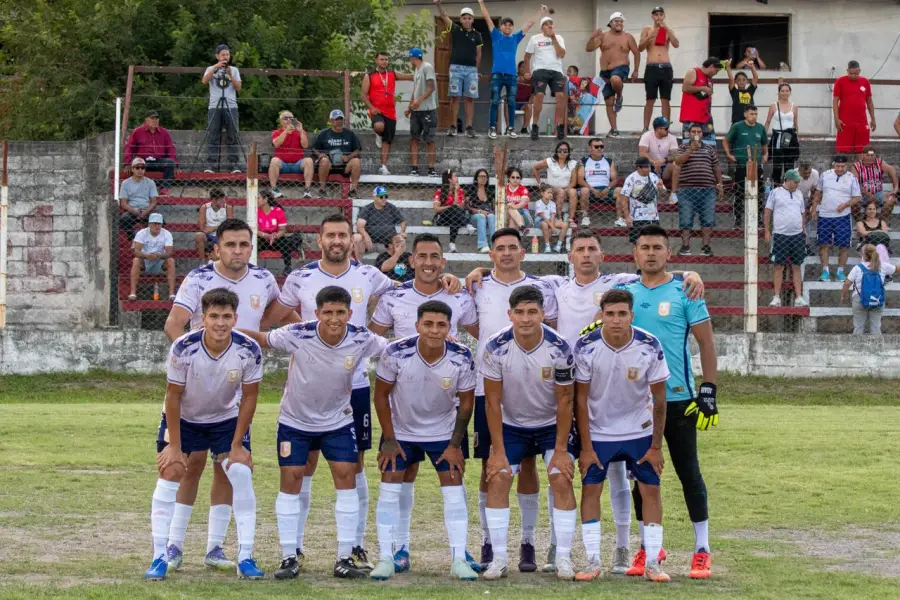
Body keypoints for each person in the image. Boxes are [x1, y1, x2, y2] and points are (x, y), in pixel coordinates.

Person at [261, 215, 461, 569]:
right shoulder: (300, 277)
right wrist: (304, 340)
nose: (337, 240)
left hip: (353, 387)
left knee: (353, 467)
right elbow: (272, 318)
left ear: (351, 241)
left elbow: (410, 290)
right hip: (307, 391)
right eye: (330, 235)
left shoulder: (369, 275)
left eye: (342, 235)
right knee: (300, 468)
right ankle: (294, 549)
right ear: (319, 239)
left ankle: (353, 546)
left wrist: (449, 281)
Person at [242, 286, 388, 580]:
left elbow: (393, 348)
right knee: (291, 481)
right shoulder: (298, 333)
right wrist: (224, 330)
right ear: (317, 313)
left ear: (349, 313)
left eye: (340, 313)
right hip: (295, 422)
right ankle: (289, 555)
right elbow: (262, 339)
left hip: (338, 422)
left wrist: (432, 339)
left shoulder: (362, 337)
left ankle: (344, 557)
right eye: (328, 313)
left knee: (346, 478)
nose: (334, 319)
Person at [161, 220, 282, 572]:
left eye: (244, 244)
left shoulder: (264, 279)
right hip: (193, 393)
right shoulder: (198, 278)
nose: (238, 251)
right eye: (230, 244)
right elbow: (173, 325)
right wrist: (193, 365)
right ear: (217, 248)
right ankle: (173, 545)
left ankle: (214, 547)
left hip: (231, 395)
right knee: (189, 465)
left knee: (228, 467)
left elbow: (277, 315)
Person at [368, 234, 480, 573]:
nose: (429, 262)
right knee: (398, 480)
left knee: (452, 484)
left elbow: (480, 333)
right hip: (404, 412)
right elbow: (374, 342)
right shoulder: (395, 300)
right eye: (423, 256)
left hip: (442, 417)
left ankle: (459, 555)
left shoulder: (458, 297)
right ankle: (394, 551)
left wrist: (478, 270)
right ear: (412, 260)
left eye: (435, 256)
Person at [615, 225, 718, 580]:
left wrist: (709, 390)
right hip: (638, 403)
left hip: (679, 400)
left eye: (658, 247)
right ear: (635, 254)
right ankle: (649, 546)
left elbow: (705, 344)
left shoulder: (687, 289)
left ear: (669, 253)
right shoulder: (624, 293)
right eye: (645, 247)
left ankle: (702, 550)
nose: (651, 253)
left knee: (689, 472)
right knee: (643, 478)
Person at [145, 288, 264, 581]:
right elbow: (173, 396)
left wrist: (237, 445)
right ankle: (162, 553)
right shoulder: (184, 348)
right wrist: (174, 445)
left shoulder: (249, 349)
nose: (220, 323)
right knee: (172, 470)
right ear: (202, 319)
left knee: (239, 471)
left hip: (225, 418)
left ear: (235, 318)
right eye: (214, 316)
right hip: (185, 418)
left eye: (226, 316)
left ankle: (243, 555)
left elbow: (249, 398)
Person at [465, 229, 560, 573]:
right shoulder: (476, 285)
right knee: (491, 465)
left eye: (511, 248)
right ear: (490, 253)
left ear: (523, 252)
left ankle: (528, 540)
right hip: (485, 387)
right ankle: (490, 540)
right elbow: (476, 327)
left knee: (530, 466)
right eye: (499, 248)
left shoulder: (542, 287)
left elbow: (546, 328)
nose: (505, 253)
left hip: (532, 391)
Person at [480, 286, 577, 581]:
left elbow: (565, 400)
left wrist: (561, 450)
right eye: (519, 312)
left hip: (550, 425)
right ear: (509, 314)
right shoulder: (495, 347)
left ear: (542, 314)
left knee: (560, 477)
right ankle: (498, 558)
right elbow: (493, 401)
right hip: (511, 425)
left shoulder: (559, 348)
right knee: (498, 478)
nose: (525, 319)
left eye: (532, 312)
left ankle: (563, 558)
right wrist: (497, 451)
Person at [574, 288, 671, 583]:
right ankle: (592, 560)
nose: (616, 320)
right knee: (591, 489)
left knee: (650, 489)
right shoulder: (586, 346)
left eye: (622, 314)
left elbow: (660, 401)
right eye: (610, 314)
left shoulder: (649, 344)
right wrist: (586, 447)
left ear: (631, 315)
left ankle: (653, 562)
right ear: (601, 315)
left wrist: (656, 446)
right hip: (599, 431)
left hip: (638, 430)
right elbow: (580, 400)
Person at [479, 1, 541, 138]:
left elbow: (530, 24)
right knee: (494, 101)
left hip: (512, 76)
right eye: (505, 24)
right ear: (501, 27)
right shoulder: (496, 35)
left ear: (512, 28)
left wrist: (540, 12)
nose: (507, 26)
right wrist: (481, 2)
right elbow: (488, 19)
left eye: (510, 25)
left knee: (511, 102)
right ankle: (492, 128)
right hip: (497, 75)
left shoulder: (515, 38)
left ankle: (510, 128)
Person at [585, 11, 640, 138]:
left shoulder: (628, 37)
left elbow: (637, 53)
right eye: (616, 21)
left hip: (621, 68)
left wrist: (636, 70)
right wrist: (592, 37)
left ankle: (619, 97)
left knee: (615, 79)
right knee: (609, 100)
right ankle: (614, 129)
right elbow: (588, 48)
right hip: (605, 71)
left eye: (621, 21)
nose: (619, 23)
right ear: (610, 23)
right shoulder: (603, 36)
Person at [435, 2, 483, 138]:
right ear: (461, 20)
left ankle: (469, 127)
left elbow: (479, 54)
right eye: (464, 18)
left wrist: (476, 70)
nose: (467, 20)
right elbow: (444, 16)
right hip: (456, 68)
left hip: (471, 70)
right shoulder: (455, 29)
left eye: (469, 18)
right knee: (455, 97)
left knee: (470, 98)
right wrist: (439, 4)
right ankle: (453, 126)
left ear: (473, 20)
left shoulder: (477, 35)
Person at [811, 156, 862, 282]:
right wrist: (813, 209)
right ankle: (825, 272)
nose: (839, 169)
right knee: (824, 244)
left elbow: (857, 197)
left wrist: (845, 205)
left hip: (843, 216)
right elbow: (818, 193)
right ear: (833, 165)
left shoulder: (852, 178)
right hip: (825, 215)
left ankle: (840, 272)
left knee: (844, 245)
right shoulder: (825, 175)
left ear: (847, 165)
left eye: (842, 166)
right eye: (837, 166)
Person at [675, 123, 723, 256]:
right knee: (685, 219)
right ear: (689, 134)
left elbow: (716, 167)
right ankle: (685, 247)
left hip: (707, 190)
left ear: (702, 134)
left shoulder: (709, 149)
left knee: (708, 219)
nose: (696, 134)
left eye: (699, 132)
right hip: (686, 190)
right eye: (693, 131)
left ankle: (706, 246)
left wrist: (720, 184)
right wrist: (690, 150)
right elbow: (678, 161)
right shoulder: (683, 147)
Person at [361, 52, 412, 175]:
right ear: (376, 61)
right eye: (381, 59)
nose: (384, 61)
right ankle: (378, 133)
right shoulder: (369, 75)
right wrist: (372, 108)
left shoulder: (392, 74)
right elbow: (363, 95)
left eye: (386, 59)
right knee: (379, 126)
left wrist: (422, 74)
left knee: (387, 141)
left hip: (390, 112)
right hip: (377, 111)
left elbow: (408, 77)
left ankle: (383, 166)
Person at [764, 169, 808, 307]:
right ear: (787, 180)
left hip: (797, 235)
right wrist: (767, 230)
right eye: (795, 182)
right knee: (779, 266)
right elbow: (767, 212)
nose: (797, 184)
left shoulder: (799, 193)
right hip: (780, 235)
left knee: (797, 266)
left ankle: (799, 297)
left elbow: (802, 213)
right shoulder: (775, 193)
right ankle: (776, 297)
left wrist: (803, 229)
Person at [724, 105, 768, 228]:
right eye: (751, 114)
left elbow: (764, 144)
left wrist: (765, 155)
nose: (753, 116)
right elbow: (726, 140)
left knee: (759, 192)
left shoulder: (760, 128)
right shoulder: (737, 126)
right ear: (745, 114)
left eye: (755, 114)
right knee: (739, 192)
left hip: (757, 165)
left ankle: (758, 220)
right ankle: (738, 221)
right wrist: (728, 154)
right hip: (741, 165)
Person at [524, 15, 567, 140]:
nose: (550, 25)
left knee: (560, 96)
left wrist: (553, 38)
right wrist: (527, 71)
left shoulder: (558, 37)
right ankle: (535, 125)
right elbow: (527, 56)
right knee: (539, 96)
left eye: (551, 23)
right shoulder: (535, 38)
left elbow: (562, 54)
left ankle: (559, 125)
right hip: (540, 70)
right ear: (542, 27)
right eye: (547, 24)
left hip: (556, 70)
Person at [202, 44, 242, 173]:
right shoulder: (210, 68)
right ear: (217, 56)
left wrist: (230, 74)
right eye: (223, 54)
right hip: (215, 106)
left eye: (228, 54)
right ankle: (212, 165)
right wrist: (215, 68)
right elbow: (204, 81)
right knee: (213, 134)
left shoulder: (234, 70)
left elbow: (238, 88)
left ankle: (234, 165)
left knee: (232, 135)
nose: (226, 57)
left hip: (231, 105)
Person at [638, 6, 679, 132]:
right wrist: (650, 36)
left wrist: (666, 28)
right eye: (656, 15)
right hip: (652, 67)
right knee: (650, 98)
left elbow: (676, 44)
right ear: (652, 17)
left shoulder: (667, 30)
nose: (658, 17)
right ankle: (645, 127)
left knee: (665, 99)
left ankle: (665, 127)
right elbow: (640, 47)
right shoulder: (647, 29)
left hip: (666, 67)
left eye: (661, 14)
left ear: (664, 16)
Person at [841, 244, 896, 335]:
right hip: (877, 298)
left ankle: (856, 347)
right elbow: (897, 269)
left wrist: (842, 295)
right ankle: (877, 347)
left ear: (863, 255)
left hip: (859, 299)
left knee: (858, 326)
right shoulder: (882, 266)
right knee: (876, 326)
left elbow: (847, 283)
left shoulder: (858, 268)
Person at [312, 110, 362, 198]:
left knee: (356, 161)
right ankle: (322, 190)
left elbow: (357, 150)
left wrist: (348, 157)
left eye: (341, 119)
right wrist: (320, 155)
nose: (339, 122)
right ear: (331, 120)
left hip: (345, 165)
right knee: (324, 160)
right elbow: (314, 148)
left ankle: (353, 191)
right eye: (336, 120)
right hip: (329, 166)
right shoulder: (324, 134)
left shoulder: (350, 133)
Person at [124, 110, 177, 194]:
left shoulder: (164, 133)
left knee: (170, 162)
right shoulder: (138, 131)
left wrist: (175, 164)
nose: (155, 120)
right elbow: (130, 147)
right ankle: (137, 188)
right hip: (143, 161)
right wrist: (127, 162)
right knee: (136, 164)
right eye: (152, 118)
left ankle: (164, 188)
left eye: (156, 118)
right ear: (146, 120)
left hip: (158, 161)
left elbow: (170, 148)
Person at [406, 48, 438, 177]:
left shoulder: (427, 67)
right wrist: (410, 107)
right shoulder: (416, 71)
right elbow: (415, 90)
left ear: (413, 58)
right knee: (414, 138)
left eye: (410, 58)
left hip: (428, 110)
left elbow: (431, 87)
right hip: (416, 111)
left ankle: (431, 169)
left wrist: (419, 101)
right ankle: (415, 168)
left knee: (429, 140)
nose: (410, 61)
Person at [128, 212, 175, 301]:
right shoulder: (142, 233)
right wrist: (147, 256)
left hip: (160, 261)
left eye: (159, 224)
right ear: (149, 224)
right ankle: (133, 292)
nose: (157, 226)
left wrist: (159, 255)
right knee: (136, 260)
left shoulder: (167, 234)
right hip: (145, 261)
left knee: (171, 260)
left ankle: (171, 293)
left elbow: (169, 253)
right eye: (154, 224)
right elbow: (136, 251)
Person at [619, 157, 666, 244]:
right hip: (637, 218)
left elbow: (663, 195)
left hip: (653, 217)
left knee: (654, 243)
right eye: (645, 167)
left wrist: (660, 188)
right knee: (637, 244)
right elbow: (624, 197)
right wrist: (627, 216)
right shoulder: (631, 178)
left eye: (648, 166)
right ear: (638, 168)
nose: (648, 168)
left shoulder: (654, 177)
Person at [256, 189, 303, 276]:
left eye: (258, 198)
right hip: (262, 239)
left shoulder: (278, 211)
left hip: (276, 239)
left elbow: (282, 230)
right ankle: (252, 266)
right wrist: (265, 235)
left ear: (265, 199)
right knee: (253, 242)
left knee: (284, 242)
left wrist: (275, 236)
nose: (256, 200)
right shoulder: (255, 212)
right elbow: (255, 230)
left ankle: (287, 267)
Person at [833, 60, 876, 155]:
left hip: (861, 122)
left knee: (862, 151)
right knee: (843, 150)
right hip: (844, 122)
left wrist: (873, 119)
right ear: (847, 71)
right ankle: (843, 169)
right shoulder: (840, 81)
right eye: (850, 73)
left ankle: (860, 169)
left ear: (859, 71)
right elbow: (835, 101)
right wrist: (836, 119)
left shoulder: (865, 82)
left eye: (856, 73)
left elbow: (869, 101)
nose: (853, 75)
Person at [354, 185, 407, 260]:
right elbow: (359, 226)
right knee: (357, 237)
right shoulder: (368, 209)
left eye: (386, 196)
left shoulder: (391, 208)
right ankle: (359, 265)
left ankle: (398, 267)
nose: (384, 199)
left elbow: (403, 221)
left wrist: (402, 232)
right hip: (370, 243)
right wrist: (366, 236)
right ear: (374, 197)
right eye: (381, 197)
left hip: (388, 244)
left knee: (401, 240)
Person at [532, 142, 578, 227]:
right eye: (560, 150)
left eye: (565, 151)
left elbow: (573, 182)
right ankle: (559, 217)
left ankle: (571, 219)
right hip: (552, 189)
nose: (562, 153)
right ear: (556, 151)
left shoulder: (572, 163)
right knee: (561, 192)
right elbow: (535, 167)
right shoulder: (550, 161)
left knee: (573, 192)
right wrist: (539, 183)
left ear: (568, 152)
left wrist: (566, 190)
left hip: (566, 188)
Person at [576, 139, 619, 228]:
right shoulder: (583, 161)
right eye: (596, 147)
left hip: (606, 189)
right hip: (590, 190)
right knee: (584, 191)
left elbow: (615, 180)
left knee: (620, 191)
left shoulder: (609, 161)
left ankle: (620, 219)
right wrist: (593, 190)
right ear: (590, 148)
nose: (599, 149)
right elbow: (580, 180)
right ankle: (585, 217)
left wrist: (607, 189)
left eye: (601, 147)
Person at [269, 110, 312, 199]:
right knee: (274, 160)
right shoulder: (276, 132)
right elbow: (276, 144)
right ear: (281, 121)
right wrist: (286, 132)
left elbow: (305, 145)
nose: (289, 120)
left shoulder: (300, 131)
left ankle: (307, 190)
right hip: (282, 164)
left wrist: (300, 131)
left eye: (291, 118)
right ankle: (274, 189)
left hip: (298, 164)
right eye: (286, 118)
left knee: (309, 160)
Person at [679, 58, 721, 147]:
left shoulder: (709, 78)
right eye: (716, 71)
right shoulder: (694, 72)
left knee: (710, 145)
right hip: (691, 117)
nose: (716, 73)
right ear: (711, 66)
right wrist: (702, 88)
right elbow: (685, 88)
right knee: (690, 145)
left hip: (706, 117)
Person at [764, 83, 800, 184]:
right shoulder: (773, 105)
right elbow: (768, 121)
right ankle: (776, 185)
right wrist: (763, 136)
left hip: (790, 136)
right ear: (779, 92)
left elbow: (795, 123)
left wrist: (797, 137)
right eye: (782, 91)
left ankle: (788, 185)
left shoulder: (794, 106)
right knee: (777, 163)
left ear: (790, 92)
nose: (785, 93)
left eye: (787, 91)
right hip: (777, 137)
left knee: (790, 164)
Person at [852, 146, 899, 220]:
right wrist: (869, 195)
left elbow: (891, 170)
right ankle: (859, 222)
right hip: (862, 195)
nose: (870, 157)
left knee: (891, 200)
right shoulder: (856, 166)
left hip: (878, 193)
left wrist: (895, 187)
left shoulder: (879, 163)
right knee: (854, 203)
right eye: (867, 155)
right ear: (862, 155)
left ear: (875, 155)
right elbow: (855, 185)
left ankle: (880, 222)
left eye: (872, 155)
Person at [119, 157, 159, 241]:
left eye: (142, 168)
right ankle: (132, 237)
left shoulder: (150, 182)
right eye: (137, 167)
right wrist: (134, 211)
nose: (140, 170)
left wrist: (145, 212)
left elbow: (154, 202)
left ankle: (151, 239)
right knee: (123, 219)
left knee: (160, 220)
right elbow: (123, 203)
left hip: (146, 209)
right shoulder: (125, 183)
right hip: (132, 210)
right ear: (132, 169)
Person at [433, 168, 469, 253]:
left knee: (455, 210)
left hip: (455, 218)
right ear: (449, 179)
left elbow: (460, 207)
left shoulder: (460, 191)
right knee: (453, 208)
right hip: (443, 218)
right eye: (455, 176)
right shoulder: (440, 191)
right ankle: (466, 223)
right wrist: (450, 207)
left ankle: (452, 244)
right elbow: (436, 209)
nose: (457, 178)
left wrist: (456, 192)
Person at [194, 188, 233, 262]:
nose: (224, 201)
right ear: (214, 199)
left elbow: (229, 226)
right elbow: (202, 228)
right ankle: (203, 262)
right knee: (199, 235)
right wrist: (219, 226)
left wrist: (211, 228)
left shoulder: (228, 208)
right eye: (221, 199)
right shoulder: (204, 208)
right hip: (208, 236)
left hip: (222, 235)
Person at [467, 168, 496, 252]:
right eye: (481, 176)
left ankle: (494, 244)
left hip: (488, 215)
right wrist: (479, 211)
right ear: (476, 178)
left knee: (492, 216)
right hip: (475, 217)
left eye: (485, 177)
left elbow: (494, 207)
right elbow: (467, 207)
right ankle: (482, 245)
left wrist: (490, 212)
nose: (483, 178)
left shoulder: (490, 191)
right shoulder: (471, 190)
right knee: (481, 216)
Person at [535, 183, 568, 253]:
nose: (550, 194)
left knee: (565, 224)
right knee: (544, 224)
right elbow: (543, 217)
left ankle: (558, 245)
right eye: (548, 192)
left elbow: (553, 216)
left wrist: (552, 226)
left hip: (550, 221)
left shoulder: (552, 203)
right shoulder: (538, 203)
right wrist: (552, 227)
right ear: (542, 193)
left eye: (551, 193)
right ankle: (547, 246)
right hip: (541, 221)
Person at [856, 200, 892, 265]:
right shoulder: (860, 222)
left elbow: (885, 234)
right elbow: (863, 233)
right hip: (866, 243)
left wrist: (869, 232)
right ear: (865, 211)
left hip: (880, 243)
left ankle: (883, 270)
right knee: (869, 248)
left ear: (876, 210)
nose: (872, 211)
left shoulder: (882, 222)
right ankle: (869, 271)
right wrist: (878, 231)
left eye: (874, 209)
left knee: (880, 247)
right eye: (869, 209)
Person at [724, 60, 758, 126]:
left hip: (749, 122)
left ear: (747, 81)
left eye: (744, 80)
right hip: (737, 123)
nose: (741, 82)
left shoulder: (750, 91)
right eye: (739, 80)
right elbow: (731, 79)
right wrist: (728, 66)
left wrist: (752, 67)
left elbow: (755, 78)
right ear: (735, 82)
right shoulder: (734, 92)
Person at [514, 61, 535, 134]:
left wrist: (530, 100)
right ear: (518, 68)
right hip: (513, 102)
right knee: (507, 104)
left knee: (529, 106)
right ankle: (509, 128)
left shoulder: (531, 80)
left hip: (523, 104)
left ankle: (524, 128)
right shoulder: (514, 77)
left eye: (525, 68)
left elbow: (533, 93)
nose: (524, 69)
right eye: (522, 67)